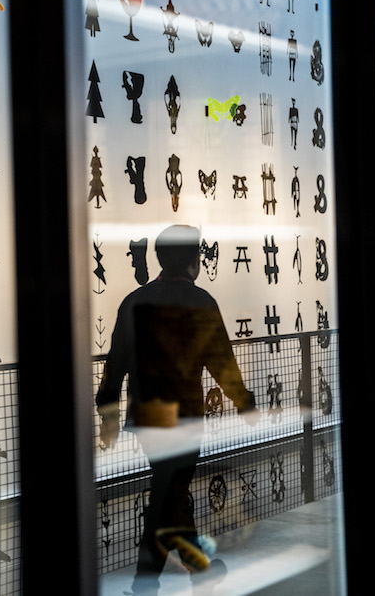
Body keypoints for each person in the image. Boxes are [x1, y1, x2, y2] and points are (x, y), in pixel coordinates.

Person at [96, 225, 256, 590]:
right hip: (184, 414)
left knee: (170, 491)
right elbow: (222, 363)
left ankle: (193, 565)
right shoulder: (201, 301)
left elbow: (115, 362)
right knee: (167, 493)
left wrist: (107, 410)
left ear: (159, 258)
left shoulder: (134, 301)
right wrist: (244, 402)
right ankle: (146, 581)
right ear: (192, 260)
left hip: (150, 414)